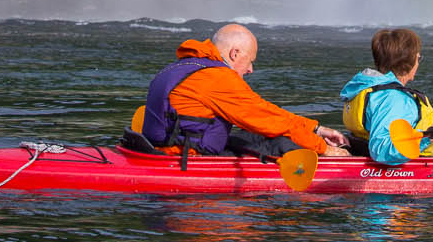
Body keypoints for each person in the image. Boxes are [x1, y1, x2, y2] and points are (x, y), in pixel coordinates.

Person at [136, 23, 350, 159]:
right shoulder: (217, 78)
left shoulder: (184, 65)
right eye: (250, 61)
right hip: (182, 157)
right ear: (235, 53)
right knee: (273, 140)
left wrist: (316, 129)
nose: (250, 69)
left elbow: (264, 111)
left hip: (162, 149)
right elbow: (267, 122)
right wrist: (323, 149)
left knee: (251, 135)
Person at [339, 27, 433, 165]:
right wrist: (426, 138)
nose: (418, 62)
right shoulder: (393, 99)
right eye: (418, 58)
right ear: (407, 63)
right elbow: (381, 150)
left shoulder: (373, 91)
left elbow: (417, 128)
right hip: (410, 170)